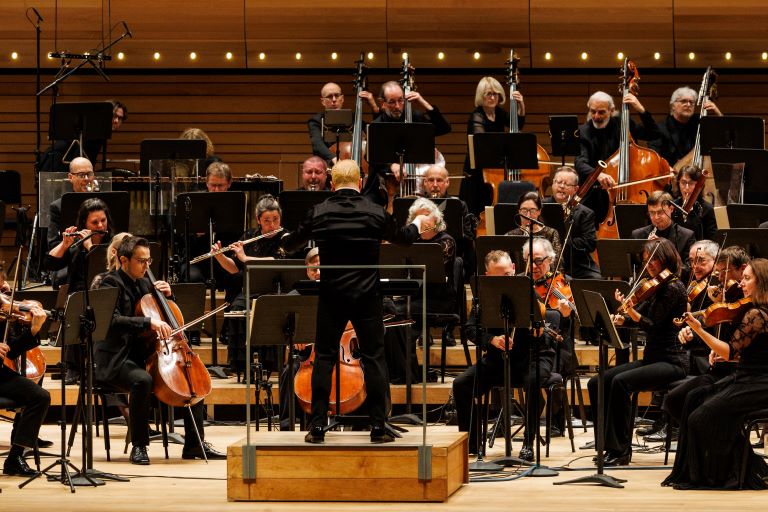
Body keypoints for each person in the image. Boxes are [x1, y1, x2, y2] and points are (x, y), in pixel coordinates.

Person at [281, 159, 432, 444]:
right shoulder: (374, 211)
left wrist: (286, 236)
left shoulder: (320, 212)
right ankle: (377, 426)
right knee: (374, 357)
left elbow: (290, 244)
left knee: (324, 358)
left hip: (332, 296)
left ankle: (316, 427)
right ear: (360, 183)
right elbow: (403, 238)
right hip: (367, 296)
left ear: (332, 183)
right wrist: (417, 224)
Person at [94, 236, 225, 465]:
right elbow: (112, 320)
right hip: (117, 358)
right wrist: (148, 323)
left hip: (144, 355)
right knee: (142, 381)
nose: (147, 266)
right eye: (141, 261)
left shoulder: (146, 284)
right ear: (124, 260)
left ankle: (194, 444)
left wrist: (169, 296)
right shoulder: (109, 283)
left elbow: (167, 316)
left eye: (148, 260)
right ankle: (140, 446)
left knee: (191, 376)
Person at [663, 258, 768, 490]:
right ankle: (742, 464)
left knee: (700, 418)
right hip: (749, 377)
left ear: (761, 283)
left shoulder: (757, 315)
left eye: (747, 278)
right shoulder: (755, 311)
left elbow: (730, 352)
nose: (741, 283)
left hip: (757, 383)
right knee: (693, 399)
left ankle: (718, 473)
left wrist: (699, 331)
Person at [453, 242, 564, 461]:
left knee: (533, 381)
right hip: (499, 359)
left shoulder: (527, 291)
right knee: (461, 384)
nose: (504, 280)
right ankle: (473, 443)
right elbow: (470, 329)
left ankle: (528, 442)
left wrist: (538, 332)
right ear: (487, 275)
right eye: (497, 277)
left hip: (533, 356)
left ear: (514, 268)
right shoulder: (483, 297)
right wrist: (491, 339)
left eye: (507, 274)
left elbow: (544, 330)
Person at [588, 238, 687, 466]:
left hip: (672, 361)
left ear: (667, 257)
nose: (649, 265)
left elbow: (652, 324)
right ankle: (605, 444)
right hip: (653, 358)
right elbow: (639, 319)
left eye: (654, 260)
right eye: (646, 261)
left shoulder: (673, 287)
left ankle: (620, 450)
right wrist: (622, 319)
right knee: (597, 382)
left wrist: (632, 315)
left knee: (620, 382)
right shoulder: (653, 286)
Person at [214, 194, 287, 377]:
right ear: (258, 220)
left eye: (275, 220)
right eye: (267, 221)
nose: (272, 225)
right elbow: (234, 268)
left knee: (267, 309)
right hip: (251, 289)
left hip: (274, 291)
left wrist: (244, 258)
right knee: (237, 308)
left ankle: (269, 364)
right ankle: (241, 366)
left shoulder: (285, 238)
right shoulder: (249, 236)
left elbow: (275, 261)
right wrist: (220, 257)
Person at [47, 198, 114, 384]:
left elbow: (102, 271)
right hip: (79, 294)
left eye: (103, 220)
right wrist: (65, 244)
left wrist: (90, 247)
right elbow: (51, 263)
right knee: (75, 305)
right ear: (84, 224)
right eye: (95, 222)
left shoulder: (114, 244)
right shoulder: (77, 244)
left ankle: (97, 364)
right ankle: (73, 367)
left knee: (84, 304)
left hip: (107, 293)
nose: (100, 225)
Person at [574, 91, 660, 224]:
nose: (596, 116)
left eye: (601, 112)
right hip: (595, 192)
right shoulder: (583, 132)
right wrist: (598, 174)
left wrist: (640, 109)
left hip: (626, 189)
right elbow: (580, 162)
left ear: (612, 110)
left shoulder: (623, 124)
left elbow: (654, 133)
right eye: (593, 111)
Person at [0, 284, 50, 477]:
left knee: (40, 396)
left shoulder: (5, 315)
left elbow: (11, 352)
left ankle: (15, 457)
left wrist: (33, 331)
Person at [459, 76, 526, 215]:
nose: (493, 97)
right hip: (477, 172)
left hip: (493, 169)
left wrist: (521, 105)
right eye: (489, 93)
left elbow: (517, 124)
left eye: (495, 93)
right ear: (481, 96)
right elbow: (482, 141)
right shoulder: (477, 116)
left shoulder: (499, 113)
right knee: (477, 210)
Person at [373, 80, 451, 187]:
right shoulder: (377, 125)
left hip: (416, 180)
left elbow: (444, 128)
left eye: (401, 100)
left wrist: (423, 102)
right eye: (392, 102)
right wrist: (391, 165)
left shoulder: (415, 117)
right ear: (382, 103)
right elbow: (371, 156)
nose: (397, 106)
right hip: (387, 182)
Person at [422, 164, 477, 277]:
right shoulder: (418, 205)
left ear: (447, 182)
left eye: (439, 180)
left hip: (450, 256)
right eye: (431, 180)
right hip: (423, 254)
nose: (435, 184)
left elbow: (467, 236)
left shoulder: (459, 205)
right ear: (425, 182)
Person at [544, 166, 601, 278]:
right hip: (545, 263)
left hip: (577, 264)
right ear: (553, 184)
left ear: (576, 189)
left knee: (597, 280)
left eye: (566, 184)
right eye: (558, 182)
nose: (561, 186)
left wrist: (561, 242)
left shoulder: (585, 213)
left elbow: (589, 243)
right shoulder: (541, 207)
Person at [649, 86, 722, 168]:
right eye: (683, 101)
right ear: (673, 105)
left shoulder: (700, 122)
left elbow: (724, 133)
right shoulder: (660, 128)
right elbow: (654, 157)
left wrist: (717, 112)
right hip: (671, 176)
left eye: (691, 102)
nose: (688, 105)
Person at [308, 82, 379, 166]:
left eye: (337, 95)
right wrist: (334, 158)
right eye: (329, 96)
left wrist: (374, 107)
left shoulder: (354, 118)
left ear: (342, 98)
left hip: (352, 165)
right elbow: (317, 144)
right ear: (323, 101)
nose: (334, 100)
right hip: (329, 165)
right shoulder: (316, 121)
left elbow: (374, 134)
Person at [47, 156, 98, 255]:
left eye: (89, 174)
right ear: (70, 177)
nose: (87, 179)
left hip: (98, 256)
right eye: (81, 175)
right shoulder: (58, 206)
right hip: (69, 258)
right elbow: (53, 244)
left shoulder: (103, 203)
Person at [631, 190, 696, 261]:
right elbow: (633, 266)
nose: (656, 217)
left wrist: (664, 250)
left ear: (671, 209)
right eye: (652, 213)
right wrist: (645, 250)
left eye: (660, 212)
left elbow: (688, 268)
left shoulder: (686, 236)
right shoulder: (637, 235)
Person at [505, 191, 562, 259]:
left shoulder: (551, 234)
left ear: (539, 211)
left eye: (533, 210)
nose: (528, 215)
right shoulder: (510, 236)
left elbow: (557, 261)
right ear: (519, 211)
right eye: (524, 210)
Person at [671, 164, 717, 241]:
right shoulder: (673, 206)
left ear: (699, 186)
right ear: (678, 183)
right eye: (683, 182)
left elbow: (711, 240)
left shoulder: (707, 209)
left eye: (691, 183)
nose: (686, 188)